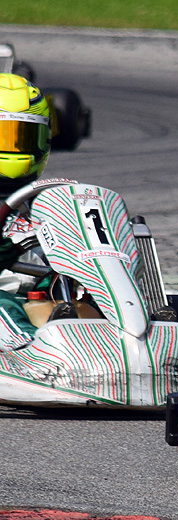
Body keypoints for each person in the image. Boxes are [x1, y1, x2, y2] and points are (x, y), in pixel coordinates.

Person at [0, 72, 54, 336]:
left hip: (47, 302)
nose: (12, 150)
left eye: (22, 137)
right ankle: (28, 350)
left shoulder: (51, 205)